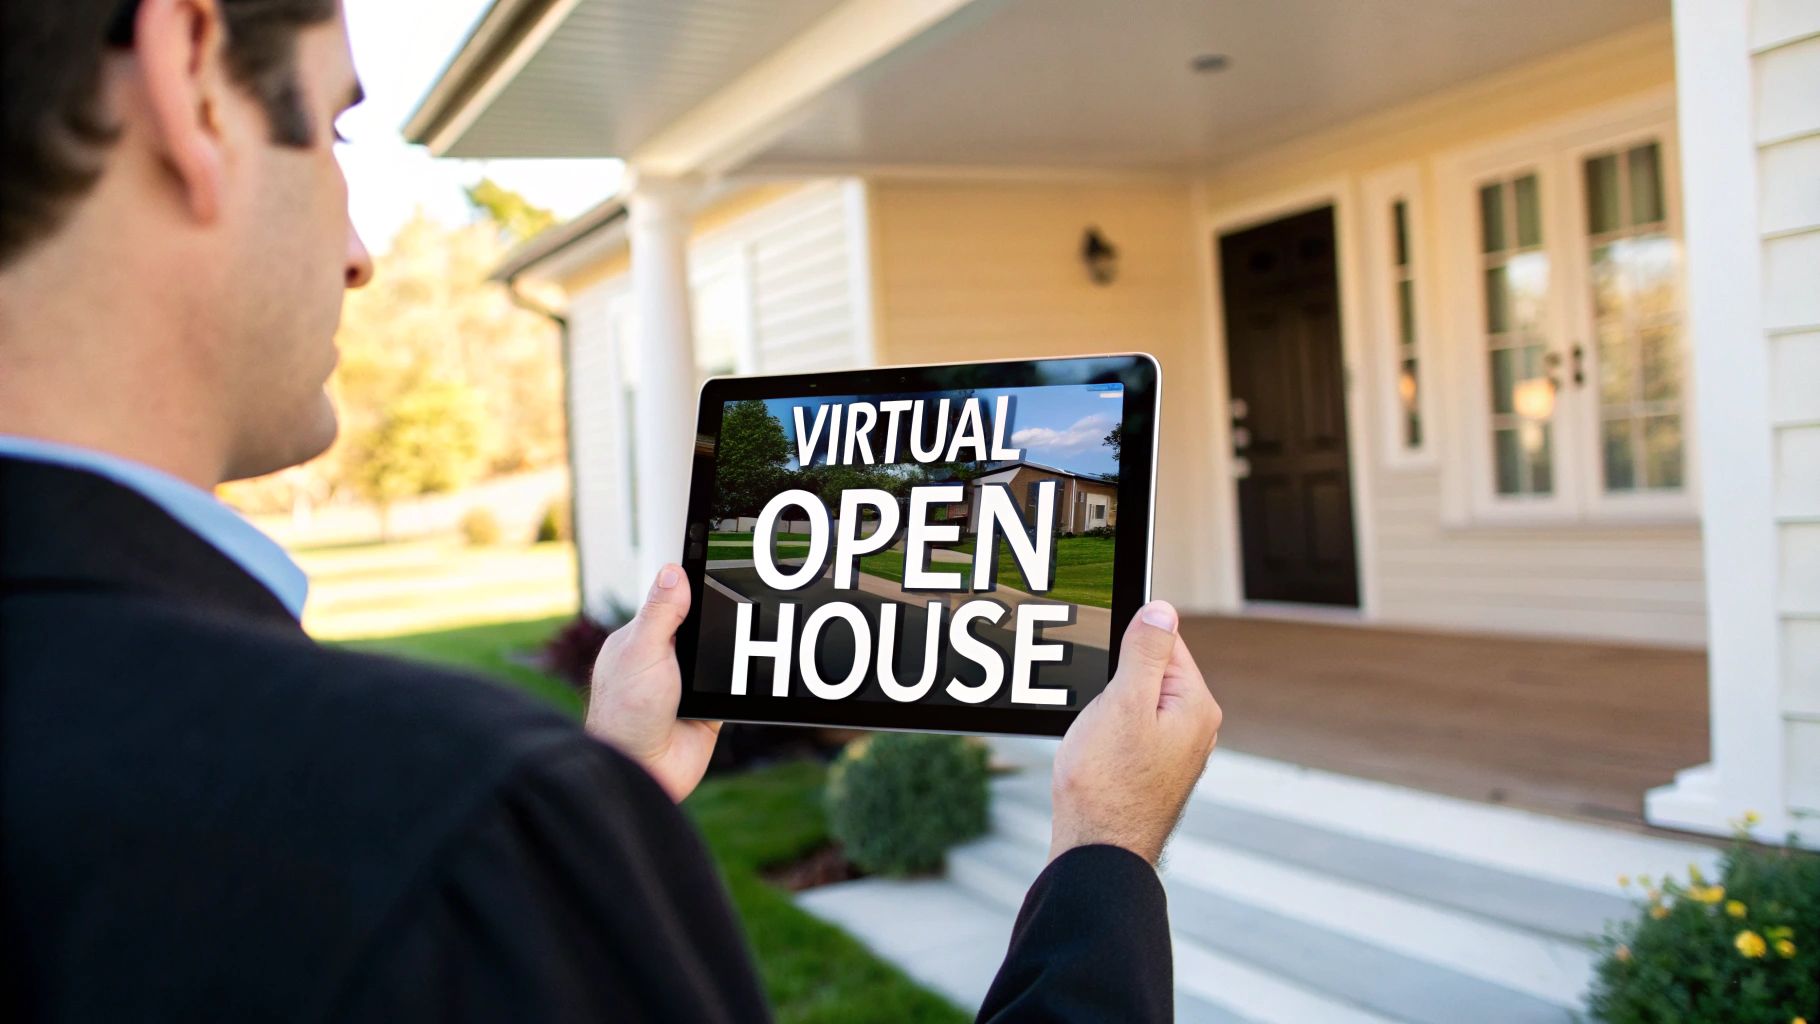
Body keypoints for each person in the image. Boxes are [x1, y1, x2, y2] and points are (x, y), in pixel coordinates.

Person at [0, 1, 1224, 1020]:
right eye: (330, 128)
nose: (361, 249)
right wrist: (1103, 848)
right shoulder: (448, 831)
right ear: (194, 78)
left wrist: (615, 778)